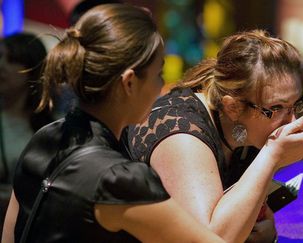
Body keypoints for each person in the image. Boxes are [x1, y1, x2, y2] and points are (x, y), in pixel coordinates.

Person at [1, 4, 225, 242]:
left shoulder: (45, 137)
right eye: (158, 74)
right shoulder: (119, 179)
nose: (161, 88)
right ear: (129, 82)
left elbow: (9, 237)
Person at [123, 30, 303, 242]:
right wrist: (271, 156)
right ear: (232, 107)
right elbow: (210, 238)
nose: (291, 121)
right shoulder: (180, 132)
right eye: (277, 107)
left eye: (295, 105)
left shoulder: (250, 123)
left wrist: (264, 230)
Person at [0, 33, 54, 183]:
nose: (1, 66)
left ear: (32, 69)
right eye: (0, 57)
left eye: (12, 60)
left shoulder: (52, 126)